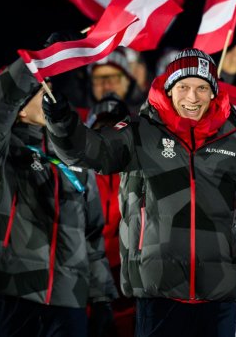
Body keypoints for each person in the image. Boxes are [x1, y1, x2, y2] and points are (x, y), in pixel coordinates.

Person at [42, 48, 236, 336]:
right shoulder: (140, 133)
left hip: (218, 296)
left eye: (203, 88)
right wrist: (62, 121)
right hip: (158, 291)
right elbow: (90, 151)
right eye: (184, 87)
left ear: (214, 93)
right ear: (169, 89)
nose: (193, 97)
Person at [0, 46, 116, 336]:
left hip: (68, 298)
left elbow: (92, 234)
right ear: (19, 107)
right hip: (14, 291)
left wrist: (101, 299)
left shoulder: (73, 154)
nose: (50, 94)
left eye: (50, 86)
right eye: (41, 89)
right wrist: (36, 62)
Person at [87, 94, 136, 337]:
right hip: (86, 286)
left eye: (115, 128)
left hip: (129, 288)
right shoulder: (72, 175)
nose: (108, 135)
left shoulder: (143, 174)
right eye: (100, 128)